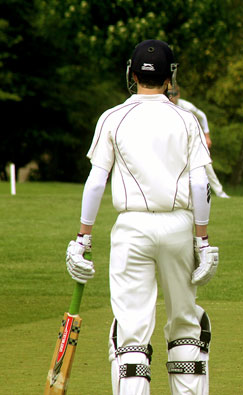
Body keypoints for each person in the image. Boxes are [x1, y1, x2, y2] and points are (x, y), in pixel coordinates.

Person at [64, 39, 219, 394]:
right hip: (179, 226)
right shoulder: (187, 119)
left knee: (131, 333)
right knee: (185, 325)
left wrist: (83, 238)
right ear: (170, 79)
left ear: (133, 75)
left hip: (131, 229)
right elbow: (199, 185)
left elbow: (95, 181)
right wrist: (203, 240)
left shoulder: (113, 117)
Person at [168, 84, 230, 198]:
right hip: (174, 142)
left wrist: (207, 136)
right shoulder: (164, 108)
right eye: (170, 95)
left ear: (179, 94)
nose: (172, 97)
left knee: (206, 164)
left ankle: (220, 193)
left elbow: (202, 116)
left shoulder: (186, 106)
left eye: (174, 94)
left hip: (191, 140)